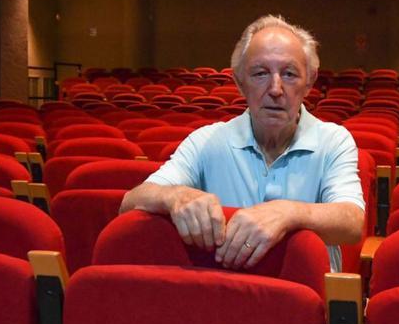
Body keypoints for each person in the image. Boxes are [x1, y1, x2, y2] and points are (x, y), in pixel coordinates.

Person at [120, 15, 364, 272]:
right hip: (225, 296)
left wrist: (289, 213)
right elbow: (130, 202)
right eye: (260, 73)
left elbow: (352, 223)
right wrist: (174, 196)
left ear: (310, 82)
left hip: (307, 295)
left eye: (290, 74)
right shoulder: (207, 140)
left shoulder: (334, 140)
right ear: (239, 82)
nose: (275, 89)